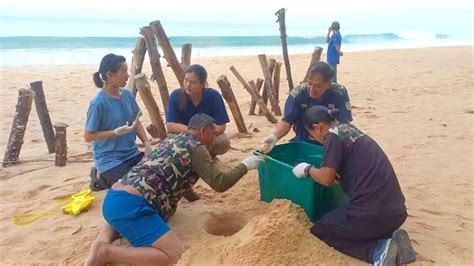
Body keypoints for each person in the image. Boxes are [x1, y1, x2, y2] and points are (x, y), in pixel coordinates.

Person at [85, 113, 264, 266]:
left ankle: (104, 237)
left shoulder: (172, 140)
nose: (215, 139)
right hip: (132, 205)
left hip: (114, 197)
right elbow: (220, 183)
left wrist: (195, 199)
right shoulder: (197, 148)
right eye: (214, 134)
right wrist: (245, 166)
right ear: (202, 132)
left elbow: (178, 176)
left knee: (126, 218)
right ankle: (107, 252)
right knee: (173, 255)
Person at [291, 106, 416, 265]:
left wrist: (307, 169)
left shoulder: (332, 136)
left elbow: (326, 178)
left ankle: (376, 251)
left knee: (320, 230)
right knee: (350, 219)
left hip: (374, 214)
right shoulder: (349, 129)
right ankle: (395, 241)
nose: (314, 138)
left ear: (317, 127)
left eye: (312, 135)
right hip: (397, 212)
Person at [84, 53, 151, 191]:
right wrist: (114, 133)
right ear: (110, 75)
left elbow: (135, 120)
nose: (127, 75)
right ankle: (99, 177)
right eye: (124, 71)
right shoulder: (98, 103)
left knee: (153, 176)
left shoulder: (126, 94)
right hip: (110, 160)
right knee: (132, 185)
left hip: (131, 153)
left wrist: (146, 142)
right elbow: (88, 136)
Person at [259, 62, 352, 153]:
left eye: (318, 86)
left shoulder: (339, 93)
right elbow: (287, 122)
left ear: (329, 84)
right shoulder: (298, 93)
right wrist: (274, 137)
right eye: (309, 83)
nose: (312, 90)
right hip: (303, 141)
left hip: (330, 142)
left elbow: (345, 123)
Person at [166, 64, 231, 157]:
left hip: (207, 135)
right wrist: (195, 133)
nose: (188, 85)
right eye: (186, 80)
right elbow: (170, 125)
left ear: (203, 84)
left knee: (223, 141)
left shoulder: (213, 96)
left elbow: (221, 125)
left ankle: (207, 157)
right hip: (184, 135)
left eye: (193, 82)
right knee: (172, 140)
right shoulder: (176, 95)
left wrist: (207, 135)